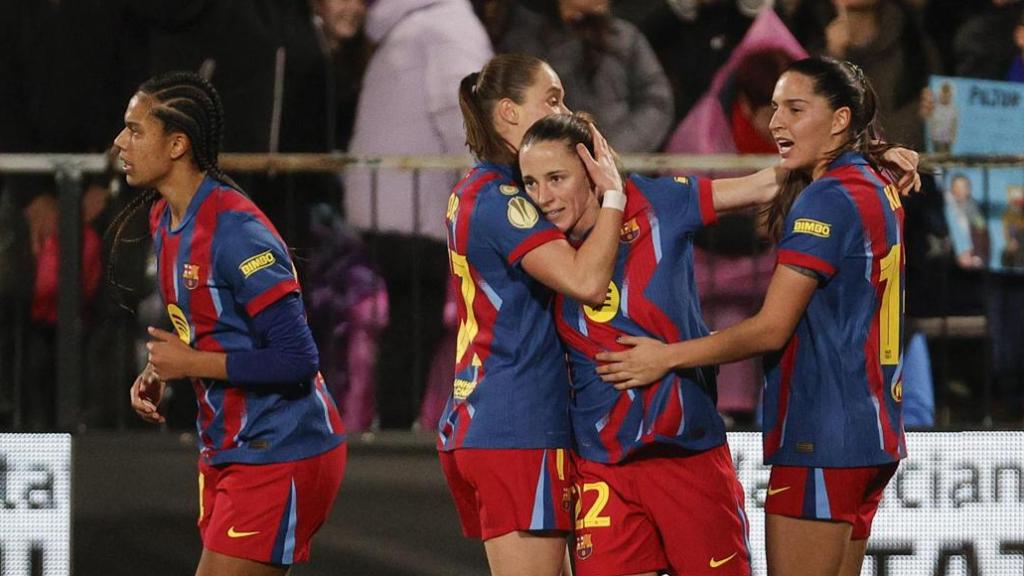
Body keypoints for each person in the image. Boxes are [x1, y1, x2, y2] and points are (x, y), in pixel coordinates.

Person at [596, 57, 909, 576]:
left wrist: (666, 357)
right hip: (873, 433)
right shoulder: (878, 181)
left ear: (839, 119)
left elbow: (770, 328)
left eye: (795, 108)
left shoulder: (825, 202)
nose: (776, 122)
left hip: (822, 435)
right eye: (775, 108)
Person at [518, 112, 785, 576]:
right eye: (531, 183)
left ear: (592, 169)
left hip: (687, 454)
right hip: (603, 465)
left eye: (556, 178)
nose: (543, 198)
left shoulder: (659, 201)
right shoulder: (540, 248)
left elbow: (764, 186)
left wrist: (864, 161)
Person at [110, 71, 346, 576]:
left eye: (134, 130)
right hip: (228, 446)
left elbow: (298, 360)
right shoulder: (164, 219)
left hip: (281, 445)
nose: (119, 142)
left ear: (177, 144)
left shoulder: (237, 234)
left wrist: (192, 362)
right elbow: (207, 324)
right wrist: (162, 369)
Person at [441, 53, 627, 576]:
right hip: (517, 425)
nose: (564, 110)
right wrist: (612, 193)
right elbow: (586, 282)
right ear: (507, 113)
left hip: (487, 417)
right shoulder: (504, 201)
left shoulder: (477, 189)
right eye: (551, 99)